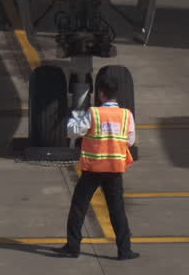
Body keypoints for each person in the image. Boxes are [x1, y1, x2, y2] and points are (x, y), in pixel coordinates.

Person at [53, 77, 139, 261]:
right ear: (116, 95)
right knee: (117, 210)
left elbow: (76, 131)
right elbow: (130, 141)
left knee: (79, 207)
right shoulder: (126, 115)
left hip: (94, 169)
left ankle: (73, 247)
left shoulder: (94, 113)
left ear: (101, 94)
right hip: (115, 169)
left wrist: (74, 118)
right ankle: (125, 250)